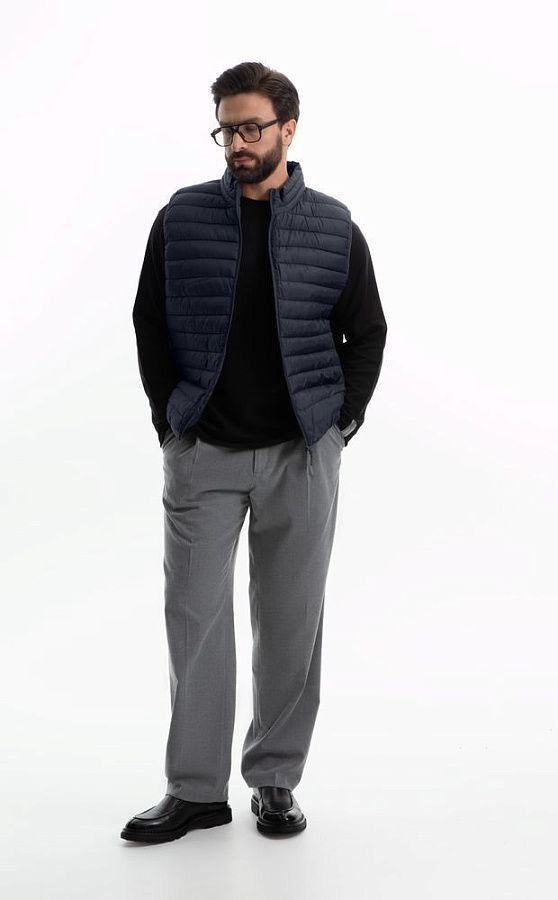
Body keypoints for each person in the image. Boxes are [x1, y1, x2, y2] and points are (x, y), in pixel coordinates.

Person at [121, 61, 387, 843]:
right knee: (193, 619)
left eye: (250, 128)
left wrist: (339, 422)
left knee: (291, 625)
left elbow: (366, 331)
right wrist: (171, 422)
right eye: (225, 129)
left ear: (287, 130)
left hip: (300, 457)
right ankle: (195, 791)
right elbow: (148, 321)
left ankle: (274, 780)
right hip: (203, 452)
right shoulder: (182, 218)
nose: (236, 142)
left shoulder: (333, 227)